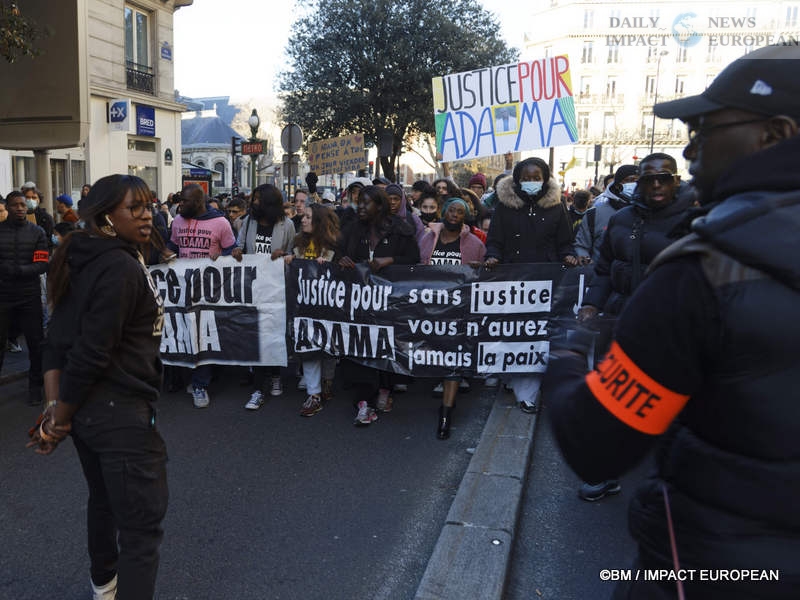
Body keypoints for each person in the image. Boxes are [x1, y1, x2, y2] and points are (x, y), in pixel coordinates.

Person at [543, 45, 800, 599]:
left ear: (775, 134)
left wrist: (565, 353)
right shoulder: (663, 242)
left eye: (704, 130)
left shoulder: (705, 271)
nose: (689, 149)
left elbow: (595, 444)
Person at [27, 174, 168, 600]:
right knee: (141, 530)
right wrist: (57, 419)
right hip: (119, 416)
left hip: (90, 417)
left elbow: (57, 342)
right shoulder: (119, 267)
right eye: (134, 208)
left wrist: (56, 411)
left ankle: (104, 587)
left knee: (104, 501)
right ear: (106, 217)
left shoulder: (90, 256)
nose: (146, 216)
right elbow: (88, 351)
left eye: (149, 206)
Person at [484, 157, 577, 413]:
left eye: (537, 178)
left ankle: (529, 391)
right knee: (516, 333)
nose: (532, 182)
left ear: (545, 179)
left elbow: (565, 242)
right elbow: (495, 241)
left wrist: (569, 256)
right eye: (526, 178)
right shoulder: (504, 207)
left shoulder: (557, 207)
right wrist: (493, 256)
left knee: (538, 334)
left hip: (546, 283)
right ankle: (514, 379)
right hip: (512, 281)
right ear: (517, 180)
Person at [338, 185, 420, 425]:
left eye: (367, 202)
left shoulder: (401, 230)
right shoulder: (352, 229)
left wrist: (390, 260)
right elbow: (339, 253)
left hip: (389, 303)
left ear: (380, 205)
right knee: (361, 348)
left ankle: (386, 389)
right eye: (359, 202)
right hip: (360, 303)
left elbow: (414, 259)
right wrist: (343, 260)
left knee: (386, 346)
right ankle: (364, 402)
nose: (361, 207)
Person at [418, 197, 486, 439]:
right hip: (431, 311)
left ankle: (446, 412)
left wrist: (479, 269)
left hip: (459, 313)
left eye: (460, 212)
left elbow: (484, 278)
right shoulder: (427, 239)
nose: (455, 215)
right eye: (451, 210)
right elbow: (416, 270)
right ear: (444, 213)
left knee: (453, 360)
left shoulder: (475, 244)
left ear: (465, 217)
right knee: (437, 356)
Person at [167, 184, 236, 408]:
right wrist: (165, 253)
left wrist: (224, 257)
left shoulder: (221, 223)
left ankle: (200, 384)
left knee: (204, 336)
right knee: (186, 335)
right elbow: (172, 247)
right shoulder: (178, 221)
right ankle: (193, 378)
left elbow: (232, 251)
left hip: (210, 291)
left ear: (198, 202)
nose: (180, 205)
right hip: (183, 289)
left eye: (185, 201)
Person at [232, 184, 295, 409]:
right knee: (257, 335)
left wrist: (284, 255)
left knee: (274, 333)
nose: (254, 203)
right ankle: (258, 388)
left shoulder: (287, 225)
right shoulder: (249, 222)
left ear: (269, 202)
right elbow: (240, 246)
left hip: (276, 289)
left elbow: (293, 253)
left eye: (258, 199)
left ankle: (275, 374)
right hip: (254, 288)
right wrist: (237, 252)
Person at [284, 203, 340, 416]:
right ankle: (313, 393)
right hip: (304, 307)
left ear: (319, 221)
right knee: (308, 348)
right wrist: (290, 260)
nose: (303, 220)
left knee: (328, 348)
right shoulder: (298, 242)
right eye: (304, 216)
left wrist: (330, 265)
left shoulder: (334, 244)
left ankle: (327, 381)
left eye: (308, 217)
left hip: (327, 307)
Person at [0, 191, 49, 405]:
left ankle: (35, 386)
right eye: (15, 205)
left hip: (29, 296)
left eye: (22, 204)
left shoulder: (37, 232)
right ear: (7, 207)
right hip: (3, 295)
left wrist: (19, 270)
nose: (20, 208)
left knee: (35, 344)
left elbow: (42, 263)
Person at [574, 165, 639, 264]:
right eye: (629, 180)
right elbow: (581, 246)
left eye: (637, 181)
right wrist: (584, 259)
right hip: (601, 271)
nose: (634, 184)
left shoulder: (653, 212)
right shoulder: (594, 214)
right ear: (617, 185)